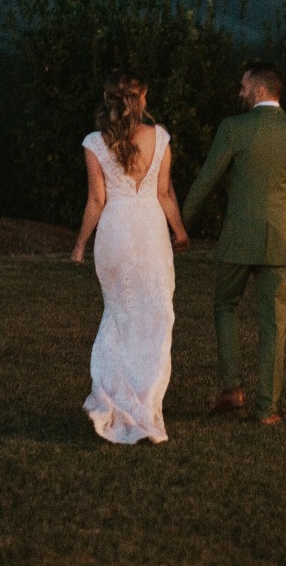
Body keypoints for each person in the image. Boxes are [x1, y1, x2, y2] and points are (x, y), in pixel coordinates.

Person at [182, 62, 286, 425]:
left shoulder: (233, 128)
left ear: (260, 90)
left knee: (224, 305)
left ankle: (232, 389)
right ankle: (267, 410)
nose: (239, 92)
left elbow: (206, 179)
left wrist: (179, 225)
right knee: (274, 323)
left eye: (243, 85)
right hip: (280, 242)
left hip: (238, 241)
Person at [71, 70, 188, 444]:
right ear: (139, 101)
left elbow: (96, 202)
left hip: (116, 233)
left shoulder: (94, 143)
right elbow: (165, 192)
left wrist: (79, 244)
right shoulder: (161, 138)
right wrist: (180, 230)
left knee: (120, 316)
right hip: (151, 231)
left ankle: (117, 399)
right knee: (157, 315)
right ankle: (146, 404)